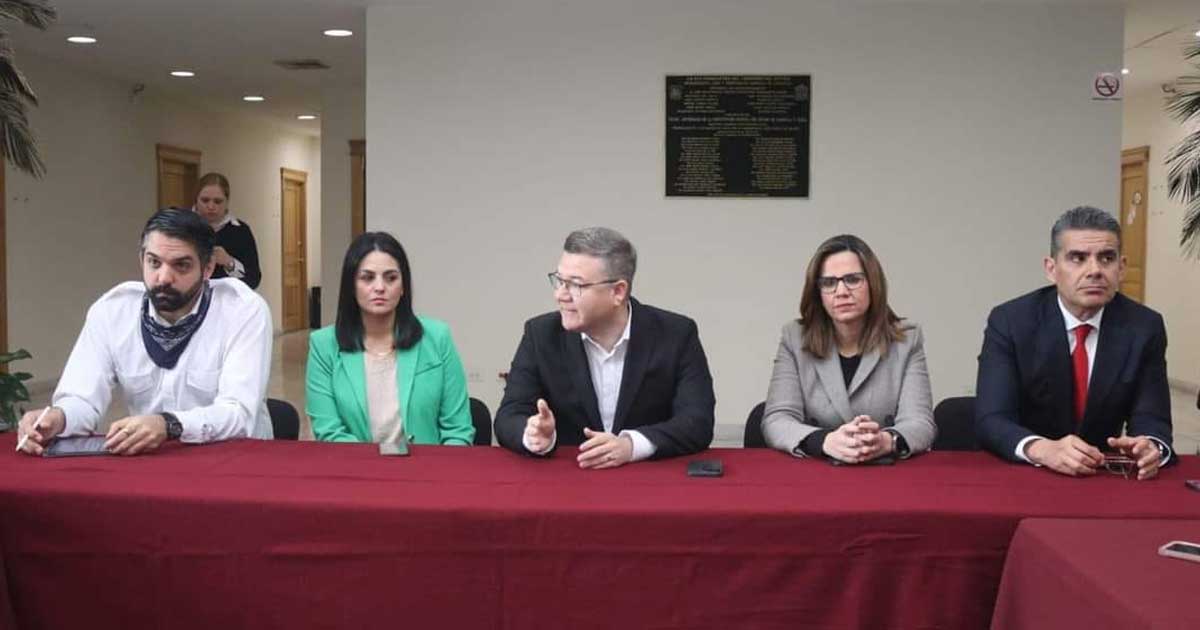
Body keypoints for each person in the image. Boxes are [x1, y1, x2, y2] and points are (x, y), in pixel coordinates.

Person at [16, 209, 273, 455]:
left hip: (234, 462)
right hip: (151, 463)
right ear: (142, 260)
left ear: (207, 269)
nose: (163, 277)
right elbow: (82, 400)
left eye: (181, 265)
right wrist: (58, 418)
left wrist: (168, 425)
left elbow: (239, 414)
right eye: (154, 262)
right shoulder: (112, 311)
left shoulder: (242, 310)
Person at [975, 206, 1172, 480]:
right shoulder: (1011, 321)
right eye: (1078, 258)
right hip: (1028, 474)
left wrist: (1150, 446)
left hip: (1102, 477)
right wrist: (1042, 449)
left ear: (1122, 268)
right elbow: (991, 418)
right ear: (1051, 269)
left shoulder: (1143, 327)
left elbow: (1153, 418)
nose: (1095, 270)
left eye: (1106, 258)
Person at [494, 227, 715, 467]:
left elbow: (697, 422)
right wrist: (534, 435)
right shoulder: (541, 334)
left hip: (648, 483)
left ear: (618, 291)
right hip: (568, 481)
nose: (560, 294)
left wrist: (631, 446)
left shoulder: (676, 334)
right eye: (559, 281)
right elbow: (509, 415)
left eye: (575, 285)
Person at [762, 235, 936, 462]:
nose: (841, 291)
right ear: (818, 293)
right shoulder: (795, 338)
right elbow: (777, 420)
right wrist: (825, 441)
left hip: (884, 472)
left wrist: (885, 441)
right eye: (828, 283)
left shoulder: (907, 339)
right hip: (816, 471)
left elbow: (921, 422)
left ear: (873, 283)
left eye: (853, 279)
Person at [306, 232, 474, 445]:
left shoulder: (437, 338)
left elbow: (458, 430)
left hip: (427, 471)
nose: (379, 287)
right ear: (351, 286)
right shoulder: (323, 345)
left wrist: (437, 475)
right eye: (367, 278)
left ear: (403, 286)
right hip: (355, 471)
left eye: (391, 278)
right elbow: (328, 431)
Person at [193, 172, 262, 289]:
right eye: (205, 200)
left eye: (217, 201)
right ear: (196, 200)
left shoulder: (241, 231)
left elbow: (254, 279)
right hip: (190, 302)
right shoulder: (181, 228)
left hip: (229, 302)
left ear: (227, 202)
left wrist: (229, 262)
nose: (211, 206)